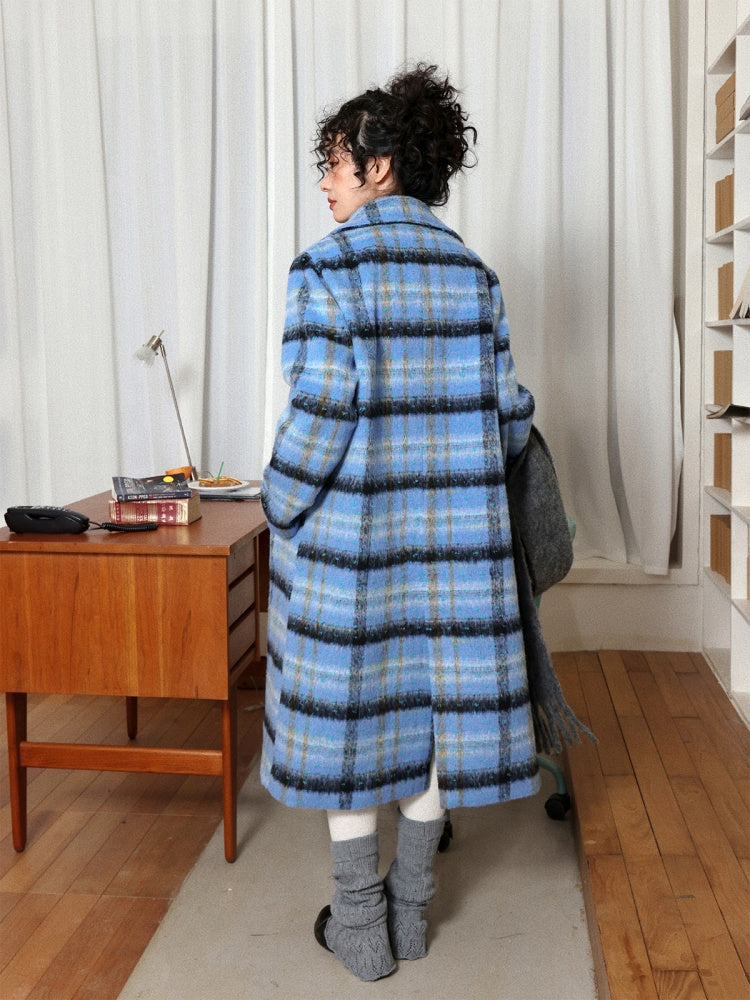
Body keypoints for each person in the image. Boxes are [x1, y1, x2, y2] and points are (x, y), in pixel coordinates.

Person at [260, 64, 541, 982]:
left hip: (355, 550)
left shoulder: (327, 269)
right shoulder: (473, 274)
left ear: (378, 165)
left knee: (351, 732)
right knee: (431, 723)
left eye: (334, 161)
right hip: (458, 551)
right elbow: (508, 416)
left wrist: (277, 501)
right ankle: (413, 914)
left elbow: (320, 413)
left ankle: (360, 924)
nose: (325, 181)